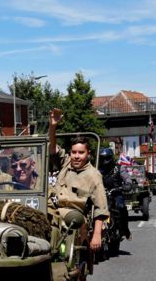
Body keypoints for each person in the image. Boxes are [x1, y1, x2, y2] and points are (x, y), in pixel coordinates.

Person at [47, 108, 107, 252]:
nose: (76, 156)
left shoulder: (93, 175)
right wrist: (53, 127)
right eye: (74, 152)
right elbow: (53, 149)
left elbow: (100, 208)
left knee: (62, 243)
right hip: (52, 211)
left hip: (74, 218)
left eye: (81, 153)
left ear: (88, 154)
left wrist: (97, 235)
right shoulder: (66, 163)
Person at [98, 147, 131, 242]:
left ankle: (125, 229)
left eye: (106, 158)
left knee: (121, 207)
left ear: (111, 158)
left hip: (116, 193)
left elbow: (127, 179)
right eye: (102, 158)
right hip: (101, 194)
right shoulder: (97, 169)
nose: (104, 161)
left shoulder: (120, 168)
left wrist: (127, 185)